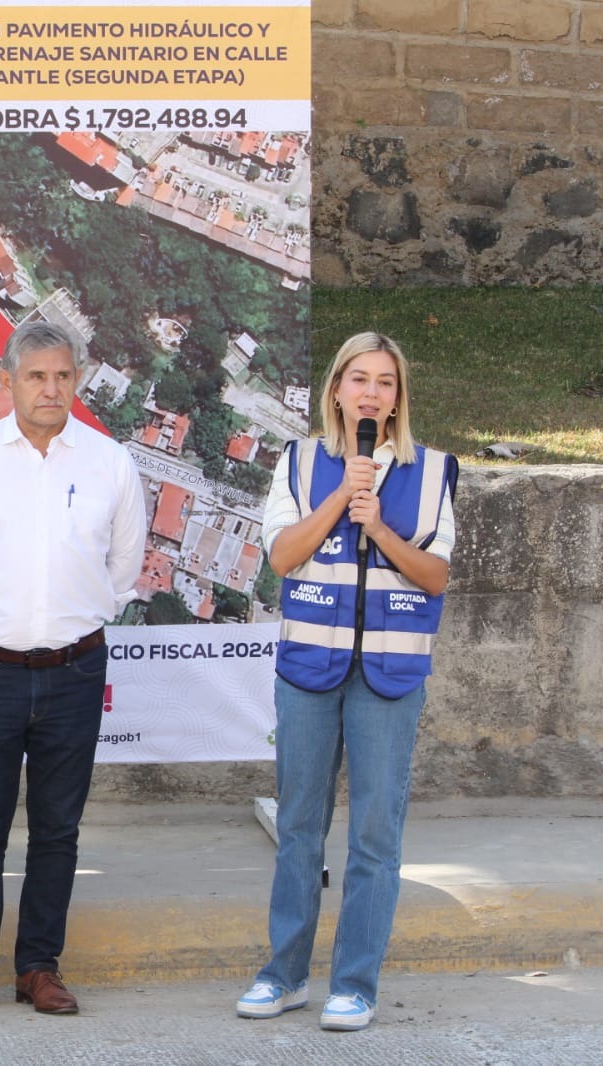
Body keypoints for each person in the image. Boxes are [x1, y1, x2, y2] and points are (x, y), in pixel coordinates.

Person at [0, 320, 147, 1018]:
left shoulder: (110, 464)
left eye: (61, 377)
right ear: (7, 382)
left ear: (75, 381)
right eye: (34, 376)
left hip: (76, 675)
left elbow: (122, 573)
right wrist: (4, 626)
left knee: (57, 829)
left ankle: (39, 968)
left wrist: (62, 626)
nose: (50, 389)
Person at [236, 332, 458, 1032]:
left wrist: (381, 529)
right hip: (308, 673)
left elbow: (435, 576)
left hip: (388, 678)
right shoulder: (300, 463)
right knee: (299, 827)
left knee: (373, 836)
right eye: (358, 378)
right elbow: (282, 556)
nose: (370, 392)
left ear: (397, 399)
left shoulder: (431, 471)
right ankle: (284, 975)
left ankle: (355, 984)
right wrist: (340, 499)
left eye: (384, 382)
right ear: (335, 389)